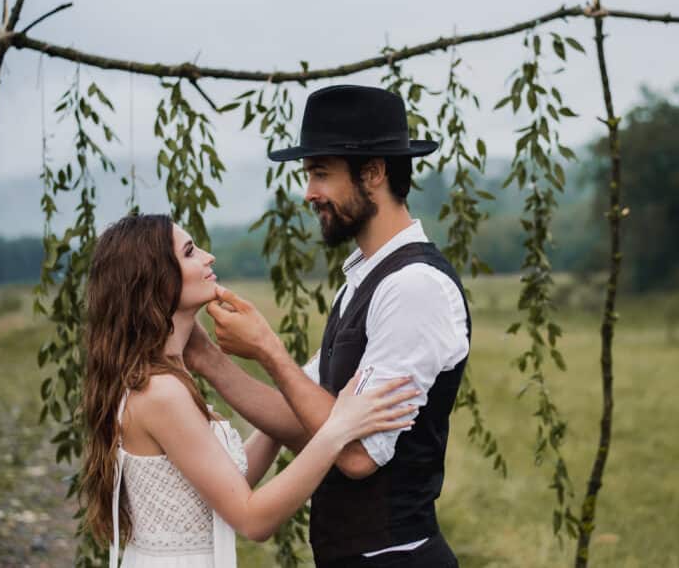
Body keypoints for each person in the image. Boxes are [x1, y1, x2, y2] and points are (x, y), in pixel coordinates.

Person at [194, 84, 470, 567]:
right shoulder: (364, 281)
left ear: (374, 173)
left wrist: (270, 353)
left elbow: (357, 454)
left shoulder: (414, 288)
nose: (308, 194)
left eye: (320, 174)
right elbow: (308, 420)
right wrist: (206, 358)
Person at [79, 213, 419, 568]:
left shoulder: (162, 377)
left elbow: (229, 484)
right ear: (157, 280)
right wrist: (338, 429)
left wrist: (292, 395)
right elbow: (251, 519)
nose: (208, 256)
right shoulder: (161, 392)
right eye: (190, 251)